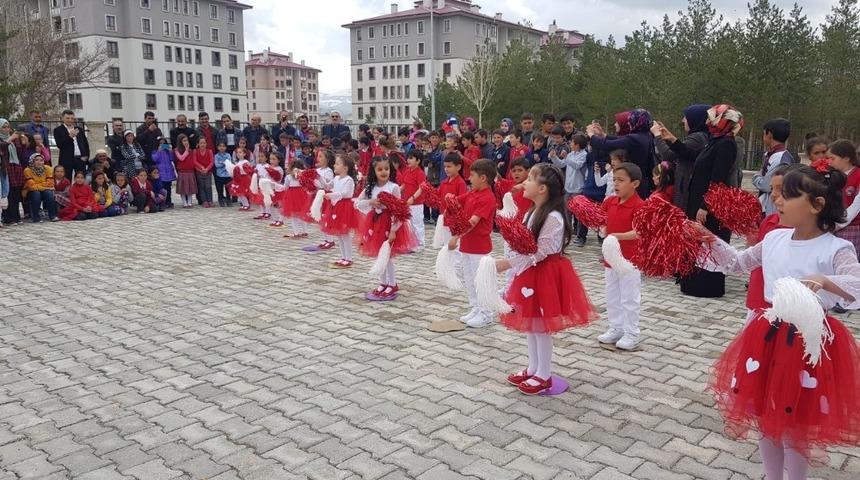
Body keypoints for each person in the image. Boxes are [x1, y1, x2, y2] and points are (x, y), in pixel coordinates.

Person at [704, 164, 860, 480]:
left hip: (809, 345)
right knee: (767, 417)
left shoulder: (835, 248)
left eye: (788, 195)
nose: (778, 201)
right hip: (768, 339)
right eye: (778, 193)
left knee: (795, 424)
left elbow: (855, 285)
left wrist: (824, 281)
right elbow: (736, 262)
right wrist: (707, 239)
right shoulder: (774, 238)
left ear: (816, 205)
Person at [495, 163, 597, 395]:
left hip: (545, 274)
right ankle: (533, 367)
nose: (525, 182)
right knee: (531, 324)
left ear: (542, 189)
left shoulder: (553, 217)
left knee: (540, 327)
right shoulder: (532, 211)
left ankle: (544, 374)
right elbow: (524, 245)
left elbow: (540, 252)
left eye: (530, 178)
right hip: (531, 273)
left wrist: (509, 263)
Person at [661, 104, 742, 298]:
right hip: (699, 200)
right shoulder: (715, 140)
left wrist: (706, 206)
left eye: (711, 118)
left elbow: (718, 178)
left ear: (721, 120)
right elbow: (693, 156)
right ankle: (693, 283)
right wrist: (671, 140)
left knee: (709, 245)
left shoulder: (726, 144)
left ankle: (706, 286)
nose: (707, 122)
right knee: (697, 244)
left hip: (708, 206)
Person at [354, 156, 418, 300]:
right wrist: (371, 202)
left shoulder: (393, 187)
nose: (384, 172)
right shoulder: (370, 188)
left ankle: (392, 283)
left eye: (386, 169)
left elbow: (400, 211)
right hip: (375, 224)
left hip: (389, 224)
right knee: (379, 254)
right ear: (373, 171)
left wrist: (394, 230)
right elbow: (357, 203)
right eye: (380, 169)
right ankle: (383, 282)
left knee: (387, 256)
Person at [598, 162, 646, 350]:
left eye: (621, 180)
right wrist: (602, 229)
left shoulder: (640, 206)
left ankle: (632, 332)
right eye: (614, 180)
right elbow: (603, 221)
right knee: (612, 295)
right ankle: (616, 327)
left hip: (630, 260)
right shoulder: (610, 201)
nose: (616, 184)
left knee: (629, 297)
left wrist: (616, 236)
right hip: (611, 259)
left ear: (634, 183)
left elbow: (639, 233)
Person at [449, 159, 498, 328]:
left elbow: (472, 222)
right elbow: (457, 200)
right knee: (469, 278)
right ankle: (476, 307)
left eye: (472, 175)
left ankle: (486, 313)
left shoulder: (487, 198)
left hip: (479, 247)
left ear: (483, 178)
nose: (469, 178)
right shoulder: (473, 192)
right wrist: (449, 198)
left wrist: (456, 236)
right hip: (467, 245)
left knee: (481, 280)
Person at [745, 164, 791, 316]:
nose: (773, 194)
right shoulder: (769, 221)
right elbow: (753, 258)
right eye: (772, 189)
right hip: (759, 293)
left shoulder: (805, 231)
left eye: (780, 189)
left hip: (787, 304)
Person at [652, 104, 711, 211]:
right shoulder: (703, 136)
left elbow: (669, 155)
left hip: (686, 193)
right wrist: (666, 136)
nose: (683, 120)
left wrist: (657, 136)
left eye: (686, 117)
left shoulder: (697, 138)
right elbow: (679, 150)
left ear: (695, 118)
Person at [587, 109, 655, 199]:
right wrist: (604, 135)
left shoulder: (635, 139)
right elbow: (620, 140)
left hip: (633, 181)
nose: (629, 123)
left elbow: (608, 145)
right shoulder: (645, 135)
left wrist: (591, 135)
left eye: (631, 120)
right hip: (641, 180)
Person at [320, 154, 358, 268]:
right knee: (339, 234)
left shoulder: (349, 180)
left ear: (345, 168)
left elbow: (346, 193)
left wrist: (333, 195)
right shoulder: (336, 178)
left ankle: (349, 258)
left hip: (344, 208)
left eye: (337, 164)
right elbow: (327, 186)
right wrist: (318, 177)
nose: (334, 165)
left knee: (344, 234)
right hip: (335, 206)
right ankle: (343, 256)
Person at [752, 118, 793, 215]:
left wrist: (756, 177)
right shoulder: (775, 155)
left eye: (764, 134)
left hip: (774, 209)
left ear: (769, 135)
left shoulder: (780, 158)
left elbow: (766, 185)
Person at [829, 139, 860, 255]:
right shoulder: (832, 175)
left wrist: (837, 224)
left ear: (846, 158)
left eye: (833, 159)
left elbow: (856, 206)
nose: (830, 162)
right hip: (832, 225)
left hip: (850, 227)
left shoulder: (858, 176)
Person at [433, 154, 469, 248]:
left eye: (449, 166)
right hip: (444, 218)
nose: (446, 169)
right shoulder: (444, 182)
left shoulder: (460, 183)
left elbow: (463, 202)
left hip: (454, 220)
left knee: (454, 246)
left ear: (458, 167)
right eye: (445, 166)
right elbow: (437, 195)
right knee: (445, 244)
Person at [401, 150, 427, 251]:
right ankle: (411, 243)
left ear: (418, 161)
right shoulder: (407, 170)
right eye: (408, 158)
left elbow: (421, 188)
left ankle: (420, 244)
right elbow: (404, 184)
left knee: (417, 223)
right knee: (409, 224)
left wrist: (413, 198)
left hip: (416, 203)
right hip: (407, 201)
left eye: (411, 158)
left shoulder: (420, 173)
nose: (408, 160)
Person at [309, 149, 336, 249]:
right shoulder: (317, 170)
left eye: (321, 156)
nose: (318, 158)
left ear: (327, 159)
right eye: (318, 156)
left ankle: (330, 239)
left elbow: (327, 184)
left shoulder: (328, 171)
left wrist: (318, 178)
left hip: (325, 196)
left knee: (326, 217)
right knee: (320, 218)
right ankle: (326, 239)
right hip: (318, 195)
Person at [53, 110, 90, 180]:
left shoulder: (79, 129)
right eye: (67, 118)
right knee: (66, 180)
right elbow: (60, 145)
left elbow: (85, 144)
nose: (70, 120)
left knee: (81, 179)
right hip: (67, 159)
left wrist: (86, 156)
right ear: (62, 118)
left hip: (80, 158)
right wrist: (70, 136)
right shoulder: (58, 130)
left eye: (72, 118)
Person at [0, 119, 24, 225]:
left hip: (16, 166)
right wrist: (10, 139)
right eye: (4, 127)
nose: (7, 129)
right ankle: (8, 217)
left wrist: (21, 142)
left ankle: (16, 216)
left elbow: (19, 151)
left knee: (15, 192)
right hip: (6, 167)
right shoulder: (4, 139)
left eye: (8, 127)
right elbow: (2, 147)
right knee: (7, 193)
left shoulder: (13, 138)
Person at [280, 159, 312, 239]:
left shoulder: (288, 177)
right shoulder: (303, 176)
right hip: (302, 196)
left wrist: (277, 187)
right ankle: (305, 232)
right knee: (302, 215)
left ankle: (296, 233)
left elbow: (285, 187)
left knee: (294, 216)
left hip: (292, 197)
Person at [23, 153, 57, 222]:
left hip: (44, 190)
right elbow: (31, 186)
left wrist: (38, 185)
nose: (39, 162)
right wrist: (43, 185)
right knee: (36, 193)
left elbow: (50, 183)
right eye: (36, 160)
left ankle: (52, 216)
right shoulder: (28, 170)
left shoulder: (48, 168)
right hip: (30, 192)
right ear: (32, 161)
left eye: (41, 160)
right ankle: (35, 217)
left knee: (49, 194)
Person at [253, 151, 284, 221]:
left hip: (275, 190)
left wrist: (270, 170)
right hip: (267, 188)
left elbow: (277, 178)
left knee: (275, 205)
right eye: (270, 159)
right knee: (267, 202)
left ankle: (278, 219)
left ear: (279, 160)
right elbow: (265, 176)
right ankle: (273, 217)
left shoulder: (279, 169)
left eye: (274, 159)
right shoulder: (268, 167)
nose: (271, 161)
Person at [173, 134, 197, 208]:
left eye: (187, 140)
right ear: (180, 142)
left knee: (190, 188)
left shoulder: (190, 151)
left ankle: (189, 202)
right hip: (182, 171)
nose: (186, 142)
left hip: (190, 171)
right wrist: (186, 150)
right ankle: (184, 202)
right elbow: (181, 158)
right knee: (182, 188)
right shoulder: (176, 150)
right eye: (184, 141)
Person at [151, 137, 176, 208]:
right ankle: (162, 202)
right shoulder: (155, 151)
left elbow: (172, 159)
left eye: (164, 143)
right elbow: (155, 159)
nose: (162, 145)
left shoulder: (167, 151)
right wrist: (159, 151)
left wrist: (170, 151)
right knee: (162, 188)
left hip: (168, 173)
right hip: (161, 172)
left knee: (169, 188)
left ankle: (169, 201)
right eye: (160, 143)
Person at [193, 137, 214, 208]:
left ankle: (210, 200)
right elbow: (194, 161)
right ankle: (204, 201)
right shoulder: (195, 151)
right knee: (201, 187)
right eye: (201, 143)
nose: (202, 144)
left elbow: (211, 161)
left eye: (204, 143)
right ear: (198, 144)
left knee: (208, 186)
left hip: (208, 172)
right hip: (199, 171)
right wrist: (201, 168)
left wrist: (207, 169)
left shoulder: (209, 151)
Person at [213, 142, 232, 207]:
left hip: (227, 175)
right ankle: (220, 200)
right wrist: (224, 163)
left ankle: (228, 200)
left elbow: (229, 163)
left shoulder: (228, 155)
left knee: (228, 189)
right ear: (218, 147)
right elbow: (217, 165)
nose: (222, 147)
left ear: (226, 147)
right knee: (220, 189)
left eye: (223, 146)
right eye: (220, 146)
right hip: (219, 175)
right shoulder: (216, 156)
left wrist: (222, 163)